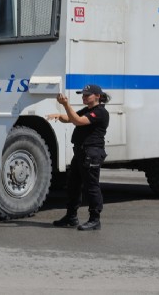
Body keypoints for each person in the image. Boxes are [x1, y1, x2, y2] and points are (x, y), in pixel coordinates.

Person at [46, 84, 110, 231]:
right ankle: (71, 217)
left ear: (97, 96)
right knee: (73, 185)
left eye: (87, 95)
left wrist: (66, 104)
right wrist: (59, 115)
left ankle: (95, 220)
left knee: (91, 187)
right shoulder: (88, 110)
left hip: (91, 153)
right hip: (81, 153)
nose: (84, 97)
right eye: (83, 95)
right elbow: (71, 118)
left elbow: (78, 121)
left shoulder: (100, 112)